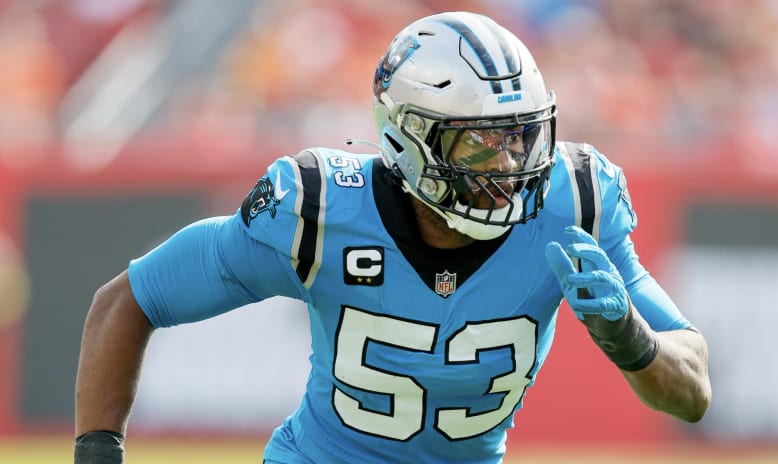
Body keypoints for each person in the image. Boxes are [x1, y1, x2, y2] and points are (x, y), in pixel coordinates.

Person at [74, 11, 711, 464]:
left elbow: (692, 394)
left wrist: (630, 338)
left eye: (519, 134)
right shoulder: (320, 211)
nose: (509, 163)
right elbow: (126, 302)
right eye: (479, 140)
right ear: (409, 139)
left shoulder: (576, 200)